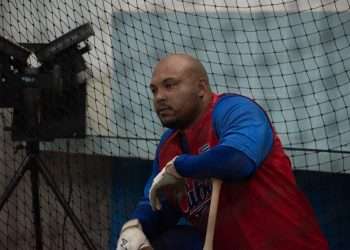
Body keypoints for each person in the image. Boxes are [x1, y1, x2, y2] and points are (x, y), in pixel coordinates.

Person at [116, 53, 329, 250]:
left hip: (289, 245)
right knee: (157, 241)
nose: (159, 97)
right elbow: (158, 204)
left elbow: (237, 161)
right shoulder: (168, 146)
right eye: (154, 90)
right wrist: (136, 226)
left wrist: (181, 166)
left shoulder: (234, 110)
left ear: (201, 88)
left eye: (169, 85)